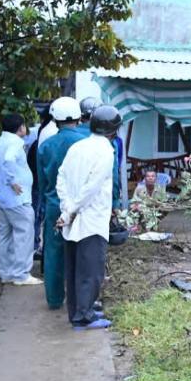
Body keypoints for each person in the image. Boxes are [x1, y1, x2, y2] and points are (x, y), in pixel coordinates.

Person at [56, 104, 121, 330]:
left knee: (74, 269)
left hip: (72, 218)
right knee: (91, 270)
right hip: (91, 219)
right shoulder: (105, 151)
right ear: (114, 131)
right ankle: (84, 316)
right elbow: (91, 187)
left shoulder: (77, 147)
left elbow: (61, 177)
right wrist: (72, 209)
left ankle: (79, 310)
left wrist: (66, 209)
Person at [0, 114, 42, 285]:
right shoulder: (15, 143)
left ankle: (6, 273)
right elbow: (8, 160)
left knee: (4, 235)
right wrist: (11, 180)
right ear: (21, 128)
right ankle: (21, 274)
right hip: (18, 199)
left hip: (3, 198)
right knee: (24, 234)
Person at [37, 97, 88, 309]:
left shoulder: (46, 146)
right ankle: (82, 299)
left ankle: (55, 299)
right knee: (83, 251)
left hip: (53, 205)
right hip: (82, 205)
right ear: (78, 117)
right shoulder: (86, 142)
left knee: (53, 252)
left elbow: (42, 182)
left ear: (55, 119)